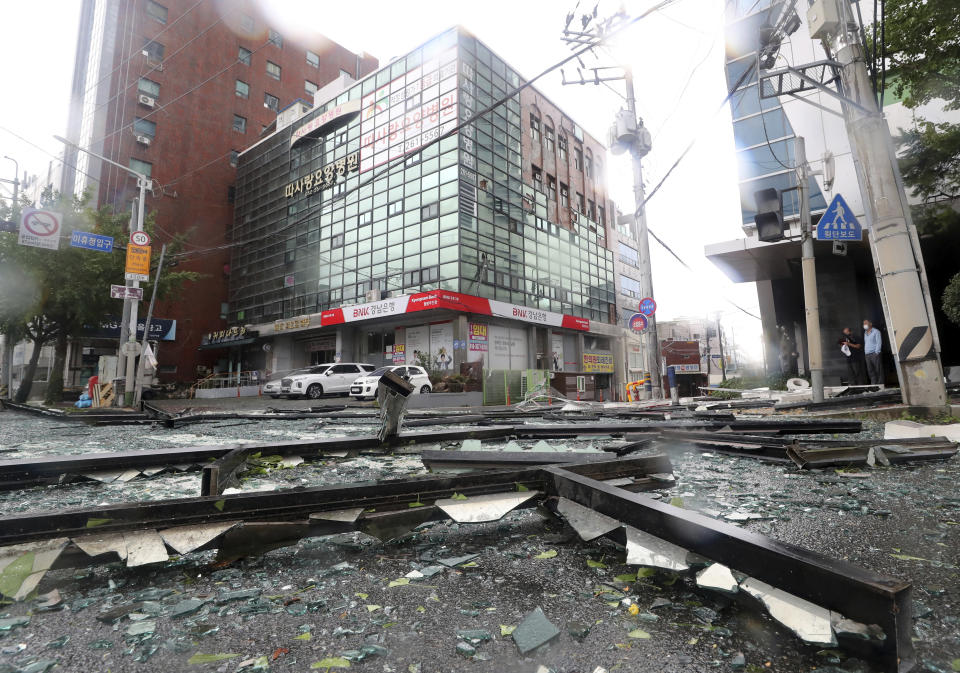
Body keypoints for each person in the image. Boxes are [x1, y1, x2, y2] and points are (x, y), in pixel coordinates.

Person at [863, 319, 883, 385]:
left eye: (866, 323)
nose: (864, 325)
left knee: (878, 370)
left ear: (870, 324)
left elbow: (879, 342)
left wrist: (876, 352)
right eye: (863, 324)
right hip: (867, 355)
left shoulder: (876, 331)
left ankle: (880, 384)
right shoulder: (865, 333)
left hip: (874, 354)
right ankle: (874, 385)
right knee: (870, 371)